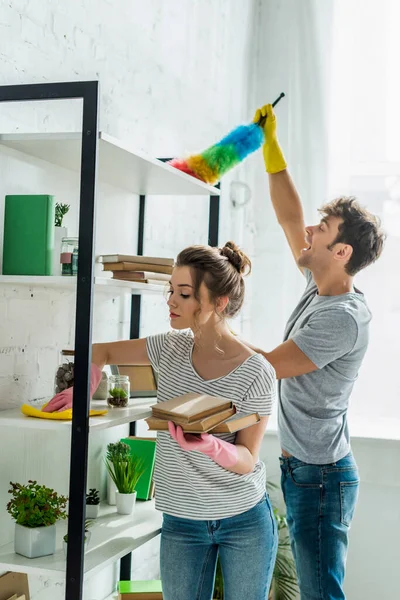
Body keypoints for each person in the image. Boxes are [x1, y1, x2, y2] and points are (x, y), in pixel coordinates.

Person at [44, 241, 278, 600]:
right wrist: (86, 385)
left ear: (220, 302)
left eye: (184, 294)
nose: (171, 300)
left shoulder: (256, 372)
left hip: (243, 520)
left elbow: (247, 460)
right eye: (171, 290)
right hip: (183, 522)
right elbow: (99, 351)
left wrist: (212, 446)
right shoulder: (168, 348)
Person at [247, 104, 386, 600]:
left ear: (342, 252)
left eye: (322, 229)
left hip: (321, 479)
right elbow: (290, 216)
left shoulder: (342, 317)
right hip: (304, 468)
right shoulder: (320, 283)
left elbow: (266, 367)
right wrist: (270, 144)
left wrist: (209, 317)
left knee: (320, 594)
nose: (309, 232)